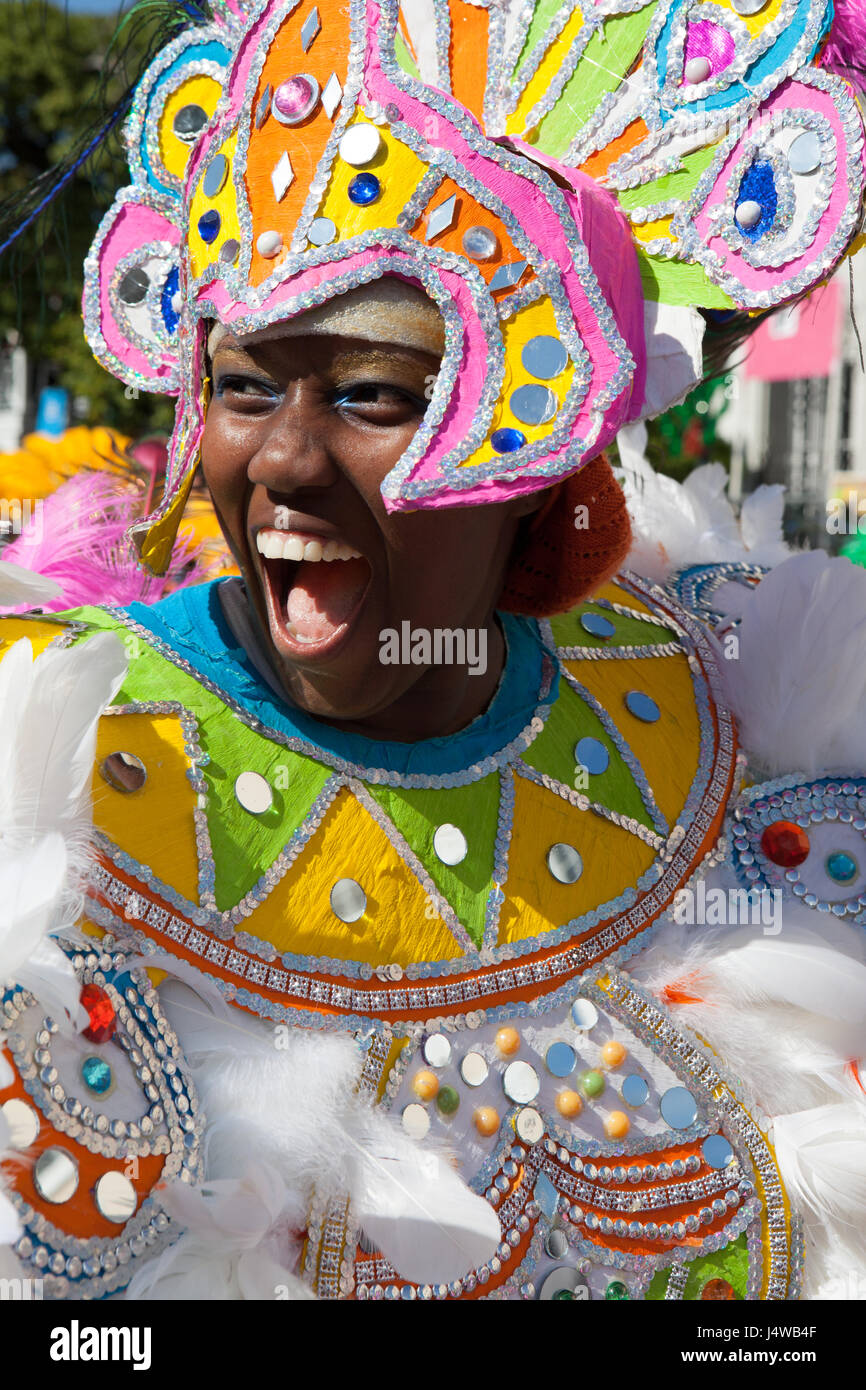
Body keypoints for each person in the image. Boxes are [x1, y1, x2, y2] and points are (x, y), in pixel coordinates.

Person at [1, 0, 866, 1303]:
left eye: (373, 394)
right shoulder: (48, 766)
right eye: (244, 385)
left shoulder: (745, 717)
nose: (284, 459)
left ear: (547, 457)